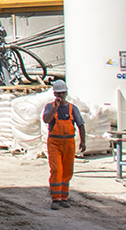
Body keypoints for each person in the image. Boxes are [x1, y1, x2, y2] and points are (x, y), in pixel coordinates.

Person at [42, 80, 86, 209]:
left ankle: (64, 198)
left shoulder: (73, 108)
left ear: (66, 93)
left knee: (67, 171)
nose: (61, 96)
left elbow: (81, 125)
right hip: (54, 143)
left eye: (63, 93)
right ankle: (55, 199)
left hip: (69, 142)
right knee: (56, 170)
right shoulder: (50, 107)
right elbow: (46, 120)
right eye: (58, 93)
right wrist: (55, 108)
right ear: (55, 93)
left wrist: (83, 141)